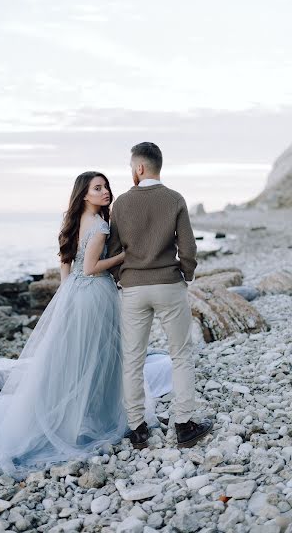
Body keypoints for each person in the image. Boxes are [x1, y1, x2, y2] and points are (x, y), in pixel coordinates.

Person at [0, 171, 152, 480]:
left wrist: (66, 297)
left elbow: (67, 265)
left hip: (73, 295)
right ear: (84, 194)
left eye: (105, 186)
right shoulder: (101, 226)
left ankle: (71, 420)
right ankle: (97, 420)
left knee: (71, 361)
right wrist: (122, 256)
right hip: (96, 295)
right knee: (102, 359)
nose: (105, 191)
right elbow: (92, 268)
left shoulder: (70, 222)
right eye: (98, 188)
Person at [107, 142, 213, 449]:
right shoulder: (175, 198)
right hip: (169, 284)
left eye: (131, 167)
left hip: (134, 289)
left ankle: (138, 428)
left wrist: (122, 278)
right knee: (180, 355)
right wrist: (186, 275)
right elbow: (189, 248)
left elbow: (114, 250)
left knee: (133, 359)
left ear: (140, 168)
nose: (131, 172)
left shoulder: (122, 204)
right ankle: (184, 425)